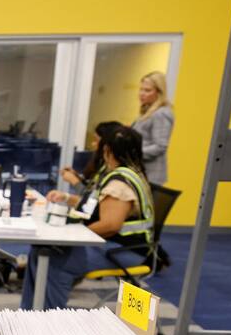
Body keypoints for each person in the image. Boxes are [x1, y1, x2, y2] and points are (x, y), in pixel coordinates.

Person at [21, 126, 153, 310]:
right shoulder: (124, 174)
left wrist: (71, 235)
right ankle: (29, 312)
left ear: (107, 150)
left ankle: (49, 317)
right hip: (115, 245)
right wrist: (68, 200)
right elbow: (95, 206)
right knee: (39, 250)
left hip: (122, 251)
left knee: (53, 260)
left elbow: (110, 225)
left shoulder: (119, 183)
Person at [130, 71, 174, 184]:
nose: (141, 94)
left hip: (151, 177)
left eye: (147, 90)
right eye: (141, 89)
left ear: (159, 92)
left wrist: (133, 153)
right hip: (140, 174)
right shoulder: (147, 112)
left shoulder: (161, 113)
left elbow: (160, 146)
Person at [61, 120, 124, 191]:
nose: (93, 144)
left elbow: (91, 196)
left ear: (106, 145)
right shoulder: (103, 164)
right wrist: (76, 176)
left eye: (96, 140)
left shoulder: (116, 174)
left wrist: (74, 181)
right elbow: (91, 188)